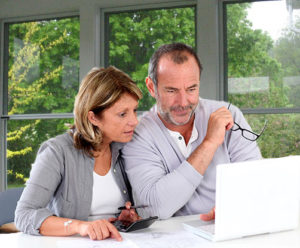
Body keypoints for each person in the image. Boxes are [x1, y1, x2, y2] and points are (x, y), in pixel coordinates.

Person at [122, 43, 262, 220]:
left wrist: (231, 210)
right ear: (151, 87)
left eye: (191, 89)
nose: (183, 102)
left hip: (232, 228)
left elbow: (257, 182)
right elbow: (154, 209)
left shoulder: (228, 114)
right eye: (171, 90)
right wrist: (209, 143)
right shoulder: (138, 134)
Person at [15, 66, 143, 241]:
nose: (134, 121)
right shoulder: (57, 152)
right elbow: (24, 215)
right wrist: (80, 226)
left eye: (134, 110)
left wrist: (124, 220)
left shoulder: (126, 149)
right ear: (93, 118)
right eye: (122, 114)